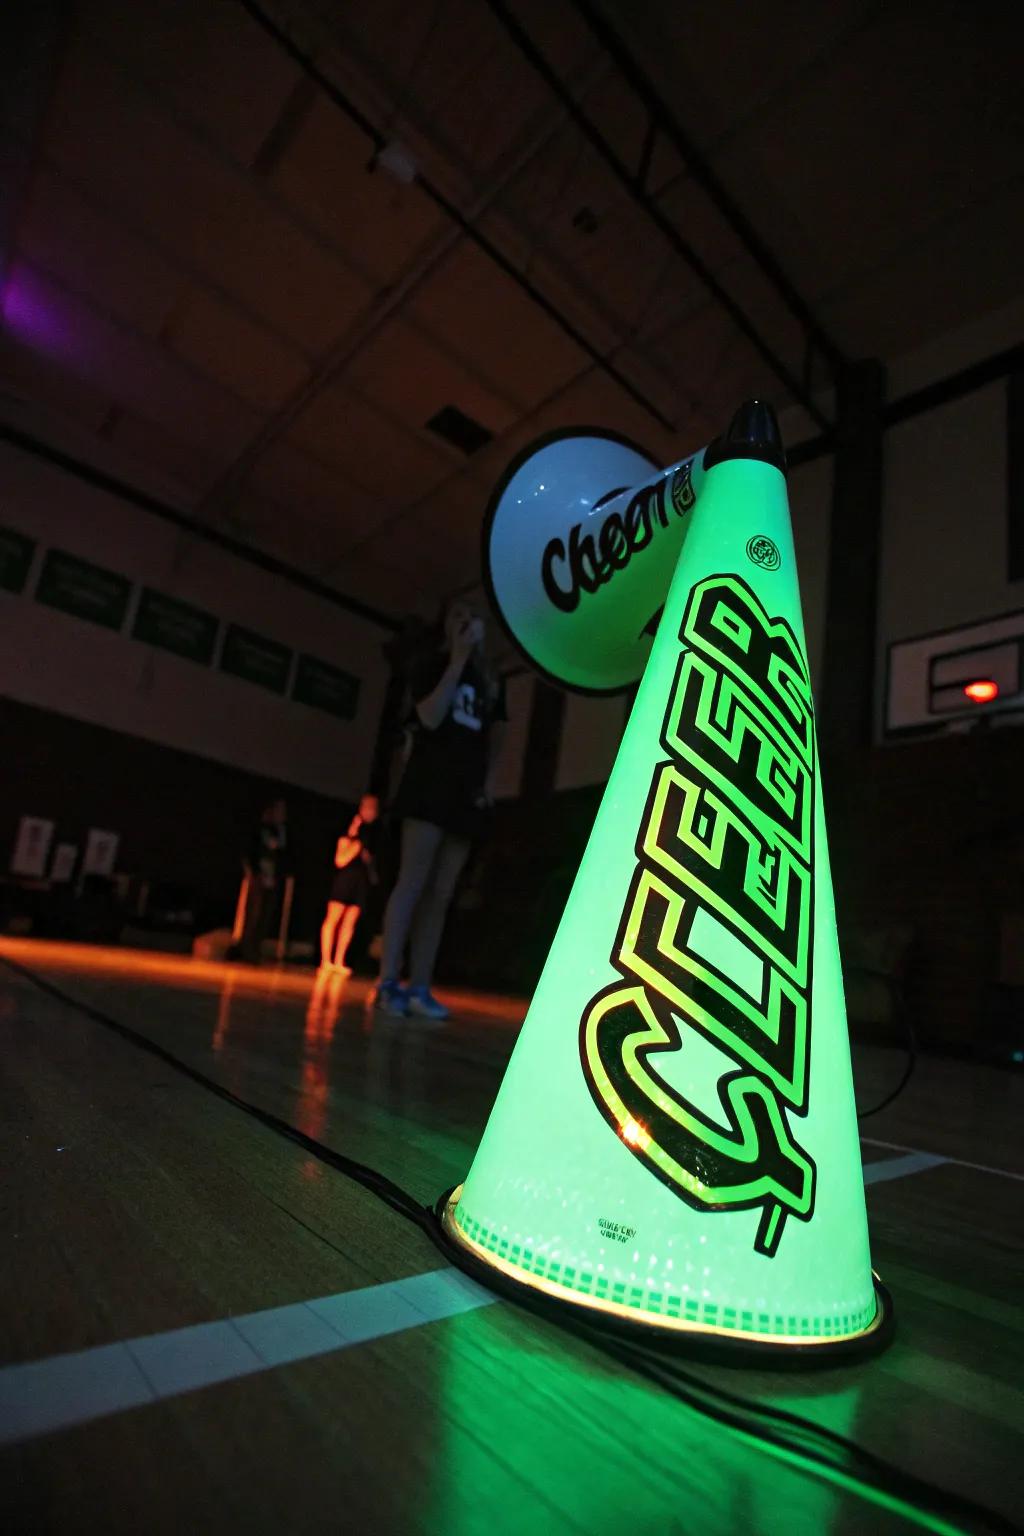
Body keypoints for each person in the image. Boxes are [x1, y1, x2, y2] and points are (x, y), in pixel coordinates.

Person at [375, 600, 507, 1018]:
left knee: (441, 893)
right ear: (445, 626)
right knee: (412, 882)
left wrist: (488, 783)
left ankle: (421, 985)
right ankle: (387, 981)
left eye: (474, 618)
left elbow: (497, 732)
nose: (467, 623)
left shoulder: (489, 679)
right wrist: (457, 660)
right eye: (458, 616)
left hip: (465, 793)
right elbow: (430, 717)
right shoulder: (430, 665)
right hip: (428, 786)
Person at [319, 793, 380, 974]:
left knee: (349, 923)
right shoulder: (350, 831)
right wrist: (355, 845)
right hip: (345, 879)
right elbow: (339, 860)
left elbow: (372, 865)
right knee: (333, 918)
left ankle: (339, 960)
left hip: (360, 882)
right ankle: (325, 959)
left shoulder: (372, 834)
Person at [240, 798, 287, 964]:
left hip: (272, 878)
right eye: (279, 811)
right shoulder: (260, 829)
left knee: (265, 916)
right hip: (259, 876)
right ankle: (246, 950)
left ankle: (256, 949)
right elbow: (249, 852)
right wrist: (252, 873)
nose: (281, 815)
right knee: (254, 914)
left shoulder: (281, 832)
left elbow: (282, 854)